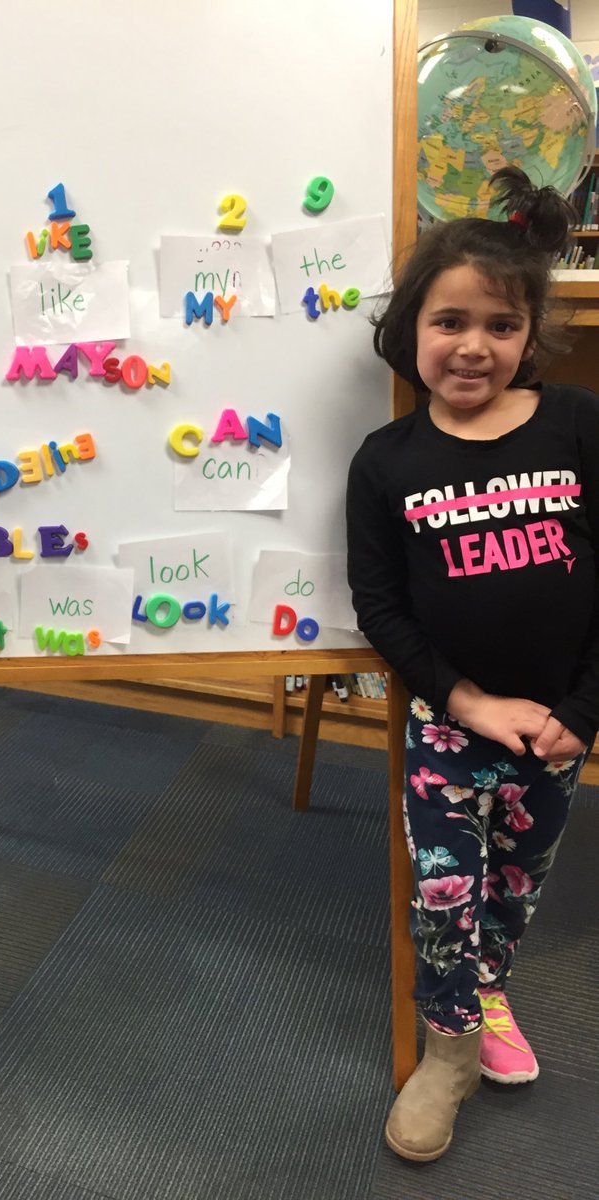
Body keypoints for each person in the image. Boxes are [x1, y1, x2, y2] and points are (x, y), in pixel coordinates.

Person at [347, 167, 596, 1162]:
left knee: (511, 891)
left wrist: (582, 709)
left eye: (500, 324)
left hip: (559, 728)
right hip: (450, 725)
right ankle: (448, 1048)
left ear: (530, 336)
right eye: (450, 321)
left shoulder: (578, 424)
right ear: (411, 330)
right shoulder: (387, 459)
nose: (474, 346)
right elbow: (382, 607)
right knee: (445, 894)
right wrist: (465, 700)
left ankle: (488, 991)